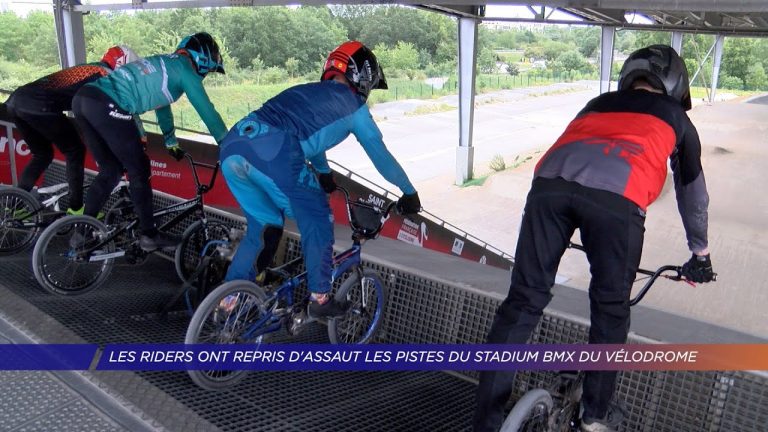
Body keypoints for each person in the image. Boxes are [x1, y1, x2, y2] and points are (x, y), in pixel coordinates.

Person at [473, 44, 716, 432]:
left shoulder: (597, 103)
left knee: (522, 302)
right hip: (617, 202)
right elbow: (694, 195)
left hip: (547, 190)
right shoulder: (678, 119)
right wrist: (700, 253)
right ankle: (594, 418)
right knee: (610, 310)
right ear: (675, 84)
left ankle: (486, 421)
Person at [218, 41, 421, 318]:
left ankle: (227, 301)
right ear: (363, 78)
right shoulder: (355, 108)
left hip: (234, 145)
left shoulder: (309, 92)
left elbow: (312, 141)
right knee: (318, 217)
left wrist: (323, 173)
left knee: (264, 224)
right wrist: (408, 192)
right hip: (273, 150)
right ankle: (321, 298)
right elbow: (380, 156)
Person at [71, 32, 227, 251]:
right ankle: (149, 235)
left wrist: (171, 140)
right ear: (203, 60)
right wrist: (227, 143)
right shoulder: (186, 71)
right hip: (108, 104)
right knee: (140, 169)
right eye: (210, 70)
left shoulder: (164, 62)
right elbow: (206, 111)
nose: (206, 75)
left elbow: (161, 105)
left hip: (83, 99)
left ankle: (81, 233)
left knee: (111, 171)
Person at [4, 46, 139, 214]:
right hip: (39, 105)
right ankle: (76, 208)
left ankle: (15, 208)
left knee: (42, 154)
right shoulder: (106, 77)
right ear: (122, 64)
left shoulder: (91, 67)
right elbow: (118, 111)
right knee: (75, 150)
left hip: (16, 101)